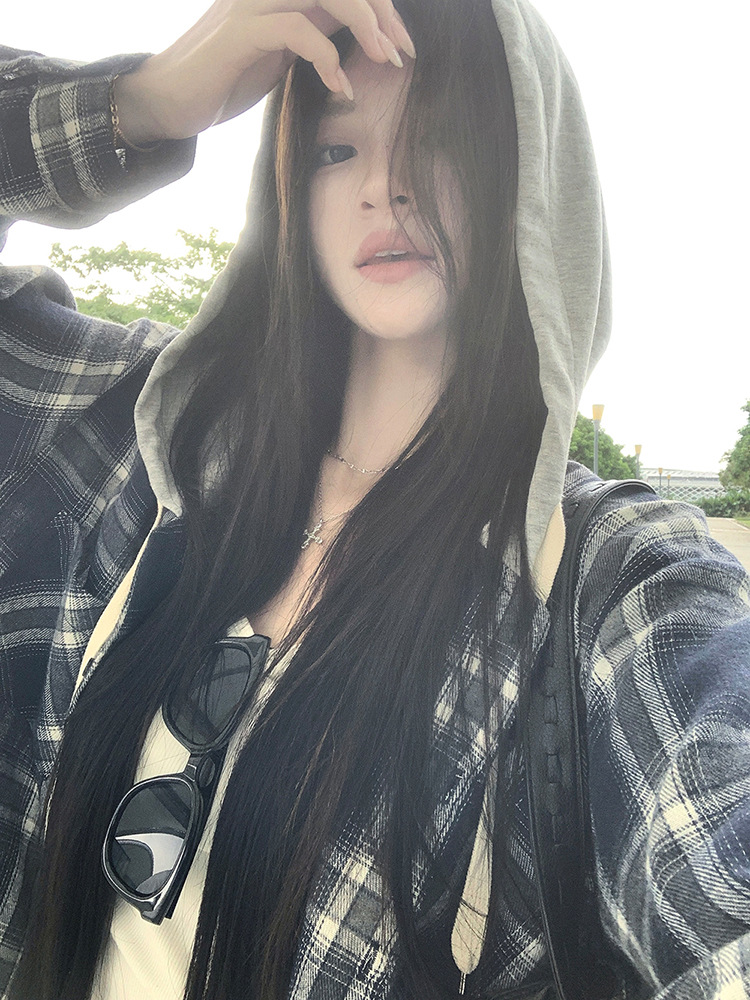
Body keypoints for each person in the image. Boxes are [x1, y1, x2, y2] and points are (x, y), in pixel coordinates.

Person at [1, 1, 749, 998]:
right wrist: (142, 102)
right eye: (334, 150)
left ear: (529, 175)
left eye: (438, 141)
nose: (383, 187)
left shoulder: (601, 584)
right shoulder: (144, 442)